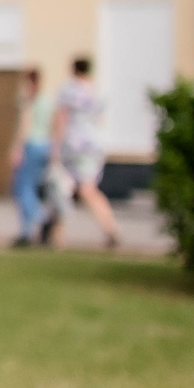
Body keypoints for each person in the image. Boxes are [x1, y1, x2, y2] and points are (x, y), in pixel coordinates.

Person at [49, 54, 121, 249]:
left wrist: (54, 147)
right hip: (94, 146)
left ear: (73, 70)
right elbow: (100, 120)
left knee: (63, 188)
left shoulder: (68, 90)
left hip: (73, 146)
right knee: (87, 189)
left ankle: (58, 235)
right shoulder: (97, 92)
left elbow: (61, 118)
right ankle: (109, 227)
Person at [8, 67, 54, 249]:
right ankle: (27, 231)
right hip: (44, 145)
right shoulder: (47, 101)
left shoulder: (29, 101)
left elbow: (24, 126)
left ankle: (40, 218)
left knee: (22, 188)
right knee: (31, 188)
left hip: (31, 145)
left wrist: (17, 148)